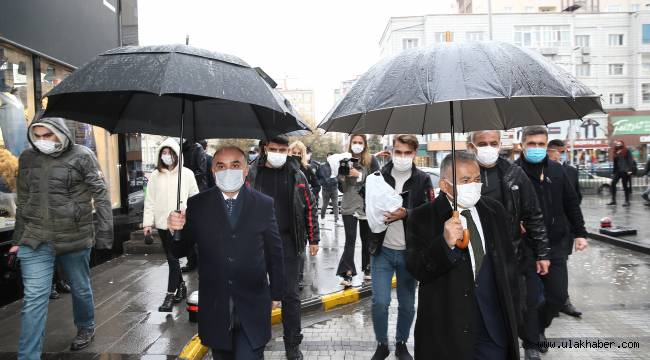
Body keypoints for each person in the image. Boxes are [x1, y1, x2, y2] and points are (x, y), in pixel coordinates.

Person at [9, 117, 114, 358]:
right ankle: (28, 356)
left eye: (48, 136)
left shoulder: (82, 155)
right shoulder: (27, 157)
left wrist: (105, 234)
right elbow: (23, 199)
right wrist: (17, 239)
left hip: (74, 236)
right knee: (34, 298)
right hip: (35, 238)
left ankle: (85, 326)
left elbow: (101, 194)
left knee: (79, 288)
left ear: (60, 133)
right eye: (38, 136)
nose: (43, 141)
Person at [168, 146, 284, 359]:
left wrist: (276, 292)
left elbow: (274, 252)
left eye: (235, 165)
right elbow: (179, 250)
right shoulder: (198, 204)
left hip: (253, 303)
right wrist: (175, 229)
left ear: (246, 170)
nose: (228, 171)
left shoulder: (263, 204)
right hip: (215, 306)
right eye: (221, 166)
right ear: (213, 170)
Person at [406, 152, 520, 360]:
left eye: (477, 179)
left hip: (494, 329)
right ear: (445, 185)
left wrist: (517, 311)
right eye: (465, 180)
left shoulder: (494, 210)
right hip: (448, 334)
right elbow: (417, 269)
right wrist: (444, 244)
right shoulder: (422, 217)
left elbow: (509, 264)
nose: (474, 185)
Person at [467, 130, 550, 360]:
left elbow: (533, 214)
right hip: (476, 252)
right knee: (484, 305)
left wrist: (543, 253)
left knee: (519, 303)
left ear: (500, 144)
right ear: (472, 145)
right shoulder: (464, 172)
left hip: (511, 253)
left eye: (493, 142)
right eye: (482, 143)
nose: (488, 147)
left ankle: (527, 343)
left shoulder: (515, 174)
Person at [515, 126, 588, 353]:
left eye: (540, 144)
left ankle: (537, 328)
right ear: (522, 145)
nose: (536, 148)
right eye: (531, 144)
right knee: (531, 300)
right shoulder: (513, 172)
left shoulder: (557, 171)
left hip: (555, 244)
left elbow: (571, 203)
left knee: (556, 298)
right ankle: (531, 344)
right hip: (525, 247)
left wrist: (580, 233)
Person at [247, 135, 320, 360]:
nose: (278, 153)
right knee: (255, 293)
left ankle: (292, 345)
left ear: (288, 151)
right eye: (273, 149)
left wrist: (314, 238)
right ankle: (254, 341)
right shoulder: (251, 174)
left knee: (290, 296)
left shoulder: (297, 174)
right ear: (264, 149)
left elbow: (309, 207)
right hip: (256, 243)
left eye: (283, 149)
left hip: (288, 242)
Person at [368, 135, 433, 360]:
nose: (402, 157)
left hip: (409, 252)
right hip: (382, 250)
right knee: (380, 302)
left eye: (407, 153)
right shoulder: (378, 177)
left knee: (407, 304)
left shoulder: (423, 179)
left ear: (415, 154)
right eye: (398, 152)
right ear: (391, 151)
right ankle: (381, 344)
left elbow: (430, 214)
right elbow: (367, 205)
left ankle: (402, 343)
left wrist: (407, 214)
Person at [143, 137, 199, 312]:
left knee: (173, 260)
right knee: (172, 260)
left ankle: (169, 295)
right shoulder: (154, 175)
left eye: (170, 153)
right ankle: (180, 287)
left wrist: (185, 210)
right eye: (164, 153)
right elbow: (149, 200)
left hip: (180, 225)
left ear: (177, 154)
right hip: (162, 225)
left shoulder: (187, 174)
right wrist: (147, 223)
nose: (166, 156)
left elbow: (197, 199)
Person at [547, 139, 584, 319]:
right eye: (552, 151)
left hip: (564, 229)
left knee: (561, 264)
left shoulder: (570, 171)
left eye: (558, 151)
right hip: (542, 229)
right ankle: (547, 300)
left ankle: (563, 299)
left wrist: (579, 232)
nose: (556, 154)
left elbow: (576, 199)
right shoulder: (536, 171)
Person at [337, 134, 380, 286]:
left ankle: (368, 269)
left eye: (360, 142)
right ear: (350, 144)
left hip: (366, 206)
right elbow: (341, 189)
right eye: (354, 142)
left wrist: (360, 175)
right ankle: (347, 273)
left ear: (365, 144)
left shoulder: (371, 160)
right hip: (349, 206)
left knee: (367, 240)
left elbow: (378, 181)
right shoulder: (345, 160)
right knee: (350, 240)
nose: (357, 144)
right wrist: (341, 176)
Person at [288, 140, 320, 291]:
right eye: (293, 152)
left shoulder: (305, 171)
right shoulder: (283, 171)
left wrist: (313, 193)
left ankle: (299, 278)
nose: (295, 156)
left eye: (298, 153)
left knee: (300, 253)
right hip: (286, 221)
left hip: (300, 220)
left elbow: (311, 200)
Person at [607, 140, 635, 207]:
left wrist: (630, 170)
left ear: (622, 144)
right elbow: (615, 163)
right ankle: (613, 200)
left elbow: (630, 160)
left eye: (620, 143)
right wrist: (613, 172)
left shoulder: (626, 151)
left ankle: (627, 201)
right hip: (618, 171)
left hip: (625, 171)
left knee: (625, 186)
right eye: (617, 144)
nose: (618, 145)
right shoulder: (615, 152)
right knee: (613, 183)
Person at [317, 152, 340, 225]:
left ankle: (337, 220)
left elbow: (339, 175)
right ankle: (322, 218)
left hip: (334, 188)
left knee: (335, 205)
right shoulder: (322, 166)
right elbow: (318, 176)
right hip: (325, 189)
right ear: (327, 158)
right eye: (329, 157)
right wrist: (323, 183)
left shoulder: (336, 165)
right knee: (325, 205)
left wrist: (337, 180)